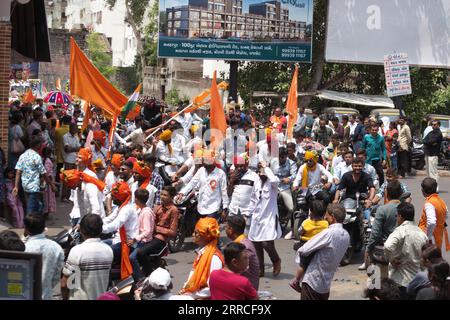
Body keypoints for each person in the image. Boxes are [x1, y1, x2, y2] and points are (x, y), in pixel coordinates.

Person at [297, 203, 350, 300]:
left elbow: (304, 249)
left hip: (312, 282)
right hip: (325, 285)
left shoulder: (329, 233)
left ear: (332, 217)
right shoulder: (346, 235)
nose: (325, 217)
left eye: (327, 215)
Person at [61, 214, 114, 300]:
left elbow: (65, 283)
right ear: (100, 230)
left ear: (81, 230)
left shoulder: (77, 251)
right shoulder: (108, 250)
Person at [384, 202, 428, 297]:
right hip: (417, 282)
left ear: (400, 216)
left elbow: (387, 246)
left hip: (401, 281)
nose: (396, 218)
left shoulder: (400, 230)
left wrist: (392, 259)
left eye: (397, 216)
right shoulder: (422, 234)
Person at [248, 161, 282, 277]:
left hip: (269, 217)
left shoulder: (273, 183)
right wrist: (248, 212)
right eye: (259, 170)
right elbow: (253, 199)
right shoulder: (256, 181)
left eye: (263, 170)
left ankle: (276, 260)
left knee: (266, 243)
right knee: (256, 244)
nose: (261, 173)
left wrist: (266, 168)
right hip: (257, 218)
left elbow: (274, 179)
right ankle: (260, 269)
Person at [362, 181, 405, 272]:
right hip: (402, 248)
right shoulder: (406, 208)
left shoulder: (382, 209)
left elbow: (375, 233)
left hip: (385, 249)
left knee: (377, 281)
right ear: (401, 193)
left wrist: (368, 249)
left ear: (386, 193)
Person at [137, 186, 179, 277]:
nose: (162, 196)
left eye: (165, 195)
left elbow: (173, 232)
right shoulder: (157, 207)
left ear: (171, 197)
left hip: (161, 239)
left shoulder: (174, 210)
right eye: (161, 194)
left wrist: (156, 228)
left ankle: (150, 276)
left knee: (141, 252)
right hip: (150, 235)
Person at [177, 149, 229, 220]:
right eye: (204, 160)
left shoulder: (221, 174)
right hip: (200, 207)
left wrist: (225, 208)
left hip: (213, 208)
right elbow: (192, 183)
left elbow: (224, 192)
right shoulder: (201, 170)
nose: (204, 162)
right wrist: (182, 193)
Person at [290, 200, 329, 292]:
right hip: (318, 247)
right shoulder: (325, 224)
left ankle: (296, 280)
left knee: (302, 265)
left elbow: (299, 231)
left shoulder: (306, 222)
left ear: (310, 211)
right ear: (324, 213)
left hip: (306, 245)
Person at [102, 181, 138, 279]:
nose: (112, 198)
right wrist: (94, 222)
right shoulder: (121, 207)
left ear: (120, 197)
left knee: (104, 253)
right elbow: (109, 219)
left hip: (127, 242)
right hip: (117, 239)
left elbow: (115, 224)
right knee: (98, 245)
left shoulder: (127, 209)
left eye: (113, 196)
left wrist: (99, 229)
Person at [180, 217, 224, 299]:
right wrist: (185, 289)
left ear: (205, 237)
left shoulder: (214, 258)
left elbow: (212, 288)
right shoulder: (202, 253)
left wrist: (190, 295)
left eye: (196, 233)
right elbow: (193, 275)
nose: (193, 235)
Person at [24, 214, 64, 300]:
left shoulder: (24, 248)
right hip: (46, 294)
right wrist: (47, 285)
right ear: (44, 228)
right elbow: (58, 274)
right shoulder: (56, 247)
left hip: (25, 294)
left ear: (26, 229)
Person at [13, 137, 55, 215]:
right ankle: (29, 224)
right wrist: (51, 184)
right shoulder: (36, 157)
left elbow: (18, 171)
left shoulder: (23, 156)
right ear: (37, 145)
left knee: (35, 205)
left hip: (25, 185)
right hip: (34, 186)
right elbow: (43, 173)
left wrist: (16, 186)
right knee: (32, 207)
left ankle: (34, 221)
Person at [225, 215, 260, 290]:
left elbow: (243, 269)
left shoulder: (244, 246)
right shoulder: (240, 242)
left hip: (247, 287)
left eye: (226, 227)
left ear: (230, 229)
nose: (224, 229)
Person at [227, 155, 259, 234]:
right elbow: (229, 193)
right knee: (233, 236)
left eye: (241, 166)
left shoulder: (254, 176)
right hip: (233, 210)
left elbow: (257, 196)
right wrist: (231, 181)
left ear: (246, 164)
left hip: (246, 212)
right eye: (237, 166)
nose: (239, 168)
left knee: (245, 237)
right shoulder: (233, 175)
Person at [270, 147, 297, 239]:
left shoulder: (291, 163)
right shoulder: (273, 161)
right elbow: (268, 172)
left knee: (291, 208)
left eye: (282, 157)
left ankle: (287, 223)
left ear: (286, 156)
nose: (280, 159)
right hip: (274, 188)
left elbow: (294, 175)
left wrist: (289, 178)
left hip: (285, 188)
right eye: (279, 157)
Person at [129, 188, 155, 280]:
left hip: (144, 241)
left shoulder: (146, 212)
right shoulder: (141, 210)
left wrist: (136, 239)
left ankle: (140, 279)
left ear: (136, 199)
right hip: (139, 239)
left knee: (132, 258)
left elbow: (147, 231)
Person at [419, 177, 450, 252]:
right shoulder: (440, 200)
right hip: (439, 233)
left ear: (423, 191)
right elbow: (446, 215)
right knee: (435, 255)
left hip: (430, 236)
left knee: (429, 257)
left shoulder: (429, 203)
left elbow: (432, 221)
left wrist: (428, 236)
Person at [62, 123, 81, 201]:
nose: (76, 130)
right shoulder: (65, 137)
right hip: (68, 160)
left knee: (73, 179)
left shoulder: (76, 137)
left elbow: (79, 148)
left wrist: (72, 149)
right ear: (71, 128)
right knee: (66, 179)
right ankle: (64, 196)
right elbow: (67, 149)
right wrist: (75, 149)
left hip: (74, 160)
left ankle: (69, 196)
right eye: (75, 128)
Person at [423, 120, 443, 186]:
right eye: (432, 124)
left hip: (433, 155)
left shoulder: (439, 134)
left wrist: (429, 142)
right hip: (427, 153)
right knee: (428, 172)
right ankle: (429, 186)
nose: (433, 126)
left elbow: (431, 141)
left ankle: (435, 187)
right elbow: (425, 140)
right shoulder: (431, 132)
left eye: (435, 124)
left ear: (438, 125)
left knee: (433, 172)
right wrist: (429, 142)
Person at [42, 147, 56, 218]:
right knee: (48, 197)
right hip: (48, 181)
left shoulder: (43, 159)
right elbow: (48, 173)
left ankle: (46, 211)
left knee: (46, 197)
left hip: (46, 181)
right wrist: (52, 183)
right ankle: (46, 212)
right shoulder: (47, 161)